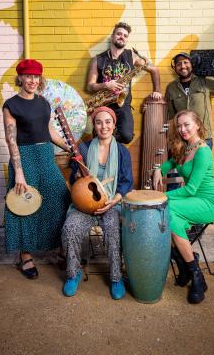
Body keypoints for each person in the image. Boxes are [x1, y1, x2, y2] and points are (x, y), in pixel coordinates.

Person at [3, 59, 71, 279]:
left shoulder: (43, 103)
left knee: (60, 195)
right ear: (20, 78)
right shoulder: (11, 105)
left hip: (45, 155)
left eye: (36, 76)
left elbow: (49, 130)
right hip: (24, 157)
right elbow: (11, 141)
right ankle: (25, 256)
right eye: (28, 76)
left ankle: (61, 248)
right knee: (25, 203)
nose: (32, 80)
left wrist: (69, 147)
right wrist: (19, 172)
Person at [61, 106, 133, 299]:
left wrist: (114, 201)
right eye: (99, 122)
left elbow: (126, 183)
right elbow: (75, 182)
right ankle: (73, 273)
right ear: (94, 125)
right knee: (70, 228)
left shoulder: (122, 152)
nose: (104, 126)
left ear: (114, 125)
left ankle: (116, 277)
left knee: (112, 229)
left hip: (110, 203)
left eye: (108, 122)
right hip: (84, 206)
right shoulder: (83, 148)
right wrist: (77, 174)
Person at [153, 110, 214, 304]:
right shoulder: (186, 148)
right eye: (180, 126)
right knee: (172, 217)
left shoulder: (203, 151)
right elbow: (170, 163)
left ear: (197, 125)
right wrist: (159, 170)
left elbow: (191, 189)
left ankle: (190, 270)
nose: (182, 130)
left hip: (209, 202)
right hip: (192, 201)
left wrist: (161, 195)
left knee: (166, 207)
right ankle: (191, 269)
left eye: (187, 125)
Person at [87, 22, 162, 144]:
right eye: (119, 34)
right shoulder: (98, 59)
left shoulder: (131, 56)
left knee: (127, 136)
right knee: (99, 137)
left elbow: (154, 70)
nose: (122, 37)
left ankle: (107, 141)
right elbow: (90, 86)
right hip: (104, 105)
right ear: (112, 36)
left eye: (125, 35)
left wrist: (157, 90)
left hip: (123, 104)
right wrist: (106, 85)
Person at [165, 52, 214, 149]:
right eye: (179, 64)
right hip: (182, 140)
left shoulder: (204, 81)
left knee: (203, 164)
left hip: (204, 138)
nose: (182, 66)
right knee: (184, 165)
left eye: (186, 62)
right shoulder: (171, 88)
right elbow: (171, 116)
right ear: (175, 67)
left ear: (192, 64)